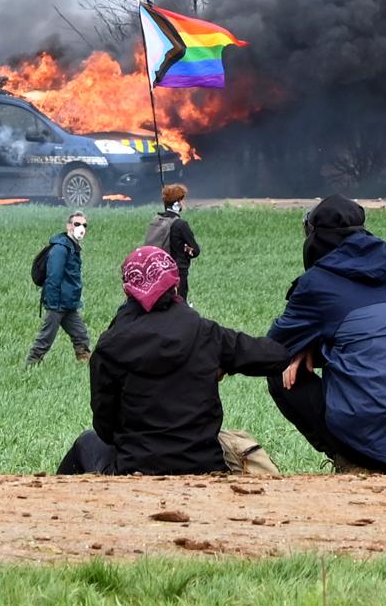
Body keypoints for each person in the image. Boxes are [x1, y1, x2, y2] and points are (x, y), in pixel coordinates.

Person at [58, 246, 288, 475]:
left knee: (86, 442)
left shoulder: (109, 347)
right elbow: (274, 357)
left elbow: (104, 428)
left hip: (136, 467)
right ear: (175, 284)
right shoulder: (206, 333)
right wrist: (224, 364)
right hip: (203, 464)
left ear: (127, 290)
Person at [265, 195, 386, 473]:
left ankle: (349, 460)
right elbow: (373, 338)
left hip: (366, 437)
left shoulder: (317, 283)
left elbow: (273, 347)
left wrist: (306, 347)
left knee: (280, 370)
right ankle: (380, 460)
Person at [27, 212, 92, 366]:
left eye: (84, 225)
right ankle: (29, 367)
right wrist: (54, 304)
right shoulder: (61, 249)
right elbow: (53, 277)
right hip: (57, 304)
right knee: (45, 339)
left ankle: (85, 367)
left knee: (81, 336)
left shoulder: (73, 248)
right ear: (69, 226)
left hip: (69, 304)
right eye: (77, 224)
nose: (81, 228)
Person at [143, 182, 201, 301]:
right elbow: (196, 251)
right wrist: (186, 250)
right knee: (179, 304)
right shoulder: (180, 224)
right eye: (181, 200)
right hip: (178, 272)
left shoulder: (157, 220)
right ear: (176, 204)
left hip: (160, 271)